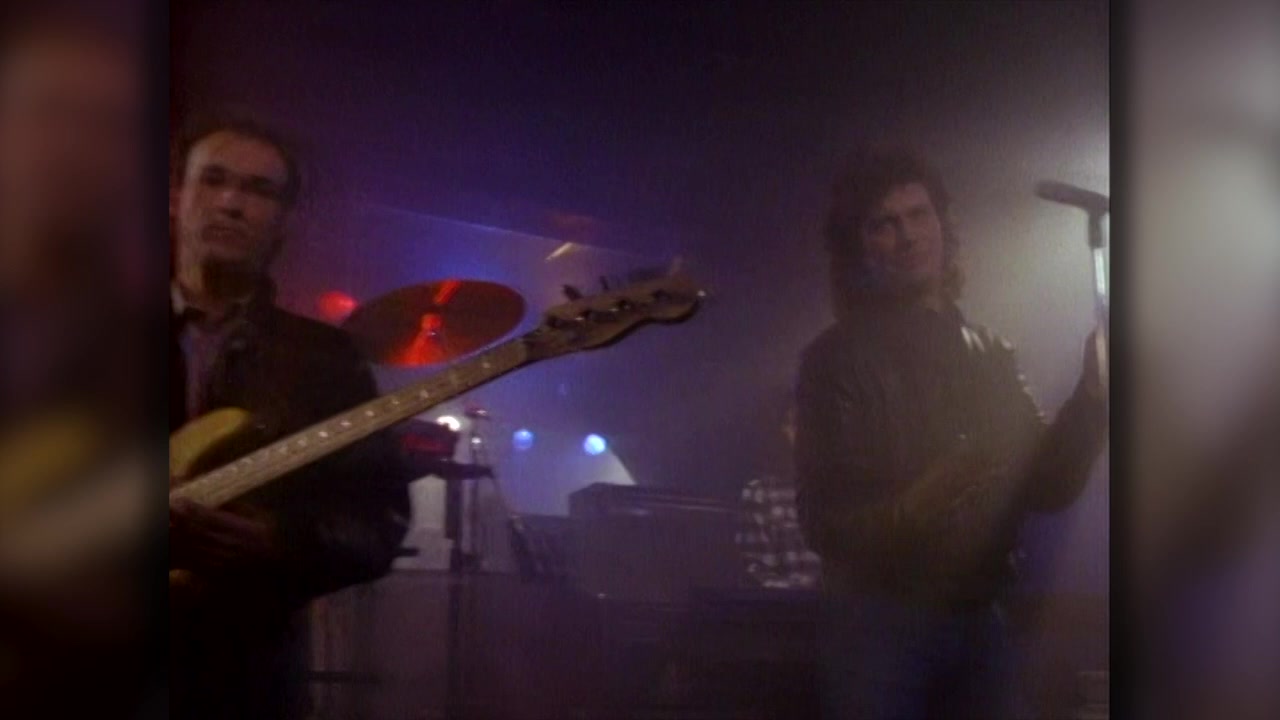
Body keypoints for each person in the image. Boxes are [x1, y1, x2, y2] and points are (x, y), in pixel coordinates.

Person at [794, 147, 1107, 720]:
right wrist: (922, 502)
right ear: (859, 246)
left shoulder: (988, 352)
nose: (908, 236)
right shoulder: (833, 361)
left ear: (943, 225)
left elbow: (1048, 486)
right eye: (884, 223)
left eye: (919, 215)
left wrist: (1091, 399)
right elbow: (825, 525)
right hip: (878, 626)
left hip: (979, 616)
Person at [168, 112, 410, 720]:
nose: (231, 203)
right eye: (213, 180)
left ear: (284, 222)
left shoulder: (326, 360)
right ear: (175, 198)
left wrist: (278, 543)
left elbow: (377, 522)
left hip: (246, 678)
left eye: (259, 191)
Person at [736, 403, 821, 590]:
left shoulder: (845, 493)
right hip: (789, 606)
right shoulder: (761, 494)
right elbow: (757, 574)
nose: (806, 434)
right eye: (796, 423)